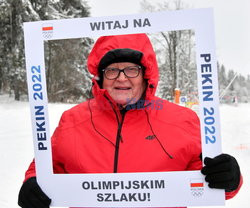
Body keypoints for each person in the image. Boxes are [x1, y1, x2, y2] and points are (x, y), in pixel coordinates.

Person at [18, 33, 243, 208]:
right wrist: (32, 182)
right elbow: (48, 165)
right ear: (100, 77)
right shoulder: (73, 119)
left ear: (146, 75)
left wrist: (229, 177)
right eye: (112, 70)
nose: (122, 78)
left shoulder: (182, 121)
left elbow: (209, 176)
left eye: (131, 69)